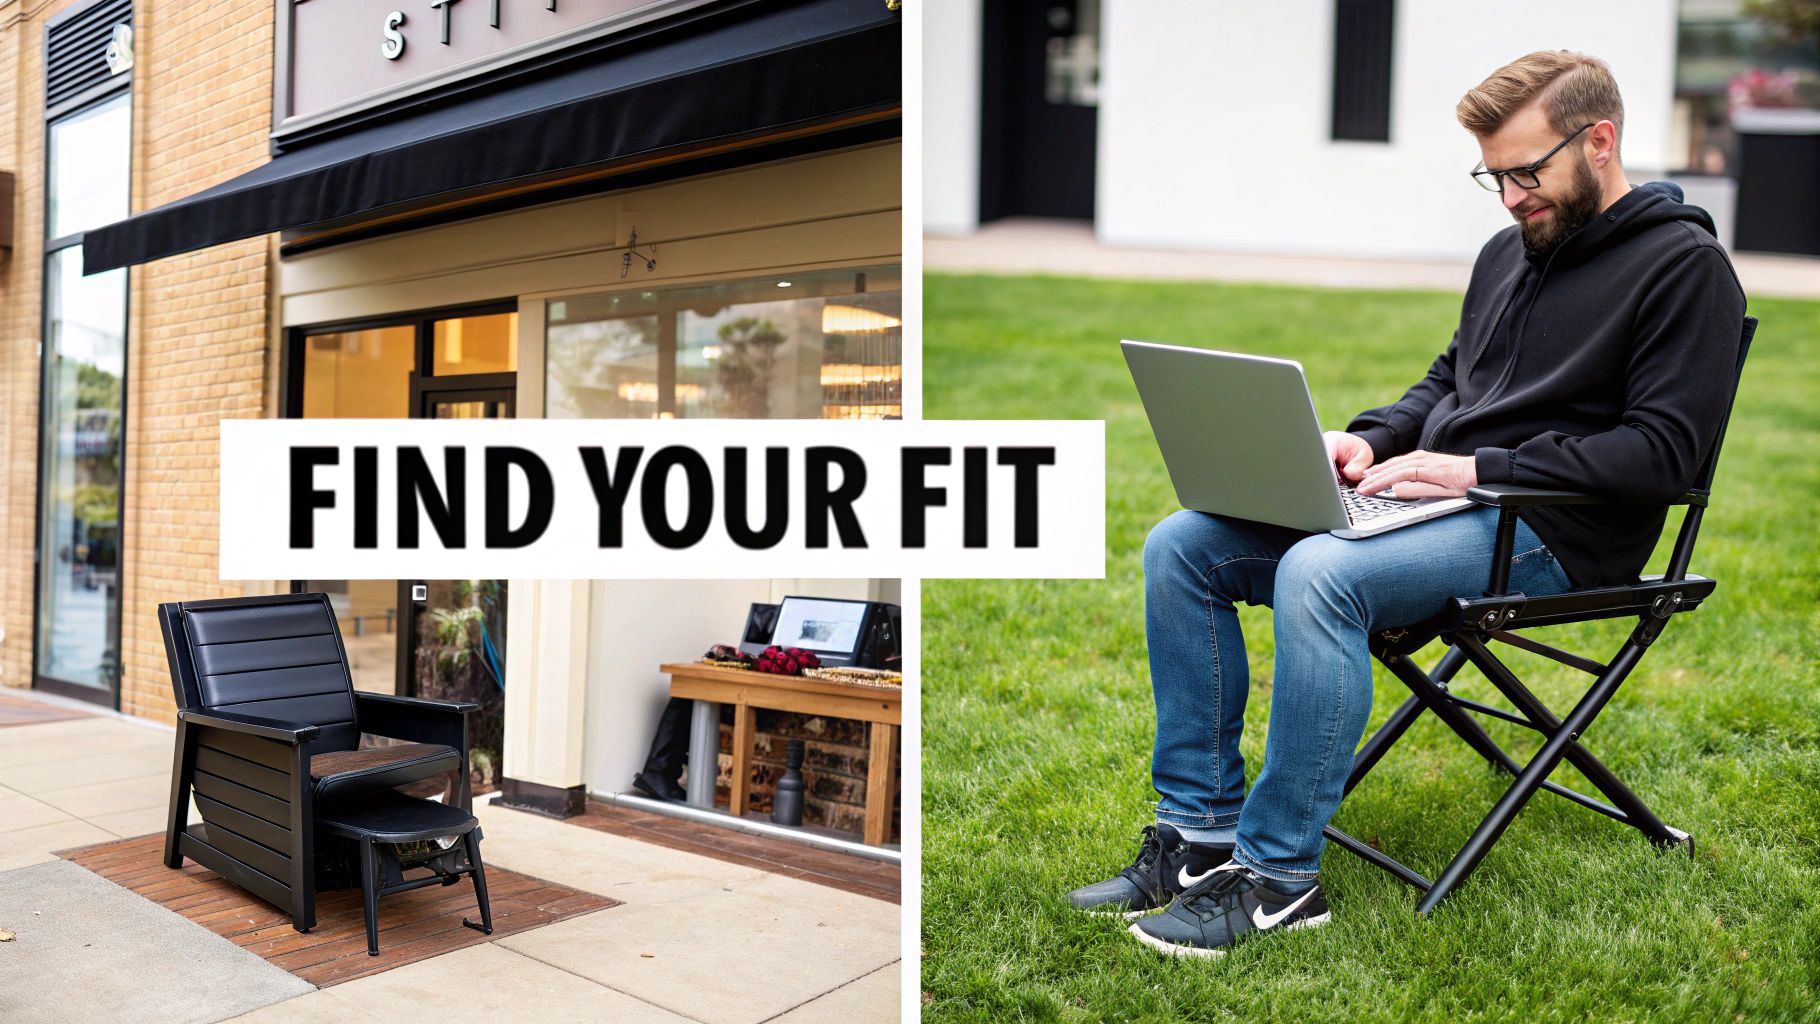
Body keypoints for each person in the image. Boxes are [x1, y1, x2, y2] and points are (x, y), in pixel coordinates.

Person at [1065, 50, 1747, 957]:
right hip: (1450, 509)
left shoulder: (1685, 268)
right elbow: (1450, 381)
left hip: (1556, 531)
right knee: (1182, 545)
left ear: (1600, 140)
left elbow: (1661, 456)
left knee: (1321, 573)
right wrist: (1376, 439)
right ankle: (1198, 838)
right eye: (1493, 176)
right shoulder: (1511, 252)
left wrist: (1473, 470)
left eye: (1526, 172)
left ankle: (1276, 878)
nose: (1509, 198)